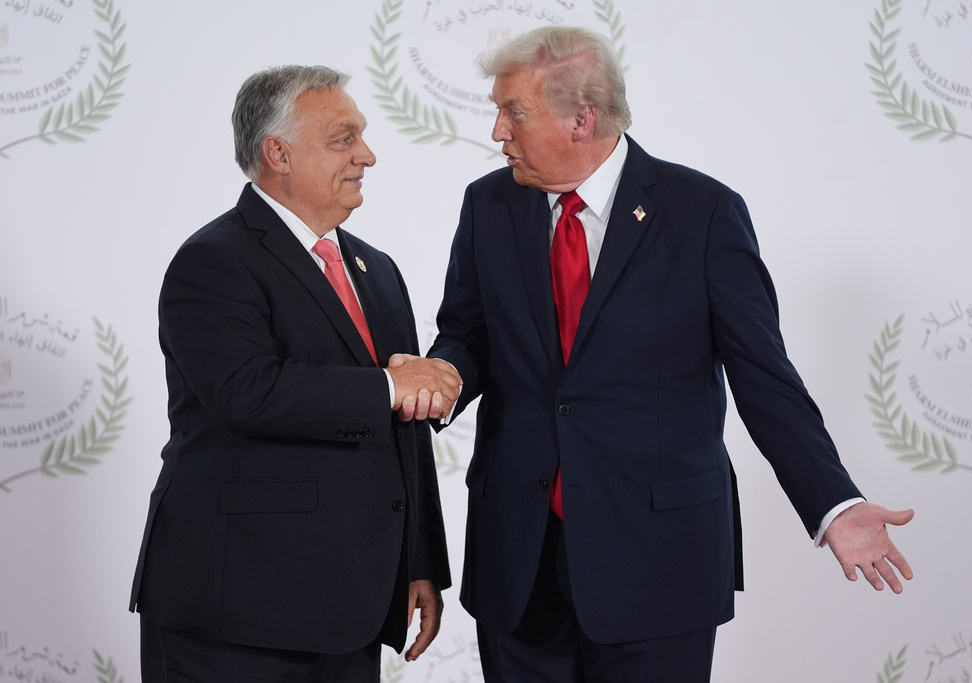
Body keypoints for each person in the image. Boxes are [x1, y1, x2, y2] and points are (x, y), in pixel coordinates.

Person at [419, 26, 914, 682]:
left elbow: (764, 375)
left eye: (513, 111)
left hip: (658, 560)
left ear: (581, 118)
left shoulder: (702, 213)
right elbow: (468, 333)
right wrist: (444, 369)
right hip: (518, 557)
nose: (497, 132)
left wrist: (834, 504)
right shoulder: (488, 206)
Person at [128, 65, 462, 682]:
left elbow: (404, 429)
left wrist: (419, 562)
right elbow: (246, 392)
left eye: (362, 136)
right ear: (276, 153)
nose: (368, 155)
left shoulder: (375, 268)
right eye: (343, 139)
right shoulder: (214, 260)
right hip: (239, 610)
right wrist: (391, 386)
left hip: (354, 606)